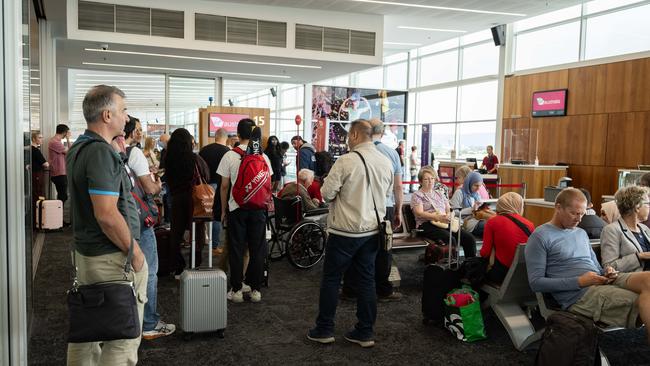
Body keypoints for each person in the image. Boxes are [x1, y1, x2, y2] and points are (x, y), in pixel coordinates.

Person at [66, 85, 148, 365]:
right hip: (111, 259)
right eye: (123, 111)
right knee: (122, 342)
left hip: (89, 255)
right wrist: (134, 253)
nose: (127, 118)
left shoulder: (80, 147)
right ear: (106, 114)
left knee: (86, 336)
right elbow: (106, 215)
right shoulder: (100, 153)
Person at [307, 119, 392, 348]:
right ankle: (365, 332)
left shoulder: (346, 161)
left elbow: (326, 193)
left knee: (332, 279)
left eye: (347, 135)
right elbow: (386, 193)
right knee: (367, 280)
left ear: (354, 135)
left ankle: (324, 329)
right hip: (373, 231)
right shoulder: (385, 162)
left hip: (344, 231)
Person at [526, 188, 650, 342]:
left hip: (599, 281)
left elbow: (596, 268)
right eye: (574, 213)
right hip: (579, 295)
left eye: (582, 214)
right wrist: (580, 281)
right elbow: (536, 283)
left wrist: (606, 271)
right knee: (643, 302)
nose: (579, 219)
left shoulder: (580, 233)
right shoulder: (540, 236)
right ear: (558, 208)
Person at [342, 118, 403, 302]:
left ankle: (351, 288)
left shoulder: (356, 152)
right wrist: (398, 211)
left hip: (361, 205)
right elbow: (398, 187)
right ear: (382, 133)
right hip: (386, 207)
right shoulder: (391, 153)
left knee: (357, 245)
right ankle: (383, 290)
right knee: (384, 249)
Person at [123, 118, 174, 340]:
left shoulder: (109, 152)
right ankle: (149, 323)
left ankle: (130, 320)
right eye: (140, 129)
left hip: (122, 220)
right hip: (139, 220)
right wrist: (158, 184)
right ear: (132, 132)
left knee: (126, 273)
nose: (142, 133)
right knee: (149, 271)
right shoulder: (134, 154)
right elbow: (149, 188)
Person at [217, 119, 273, 303]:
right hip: (258, 210)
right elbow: (268, 184)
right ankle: (256, 290)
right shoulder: (263, 158)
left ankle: (237, 290)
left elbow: (224, 186)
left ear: (238, 135)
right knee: (257, 249)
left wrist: (224, 210)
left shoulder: (230, 156)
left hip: (237, 208)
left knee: (236, 249)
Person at [164, 128, 210, 274]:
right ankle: (194, 265)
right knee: (196, 234)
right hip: (193, 199)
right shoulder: (194, 158)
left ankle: (177, 267)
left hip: (176, 199)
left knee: (176, 234)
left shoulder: (168, 158)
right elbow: (206, 176)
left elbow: (167, 179)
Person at [411, 166, 477, 258]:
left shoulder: (439, 193)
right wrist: (437, 217)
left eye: (432, 178)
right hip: (427, 224)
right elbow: (419, 213)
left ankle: (470, 265)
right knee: (450, 239)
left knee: (469, 239)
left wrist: (449, 215)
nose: (430, 181)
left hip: (444, 221)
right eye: (426, 179)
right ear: (420, 181)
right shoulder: (417, 195)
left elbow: (449, 209)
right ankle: (451, 266)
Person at [480, 192, 534, 284]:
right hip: (524, 274)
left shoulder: (492, 222)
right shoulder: (530, 224)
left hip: (501, 274)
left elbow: (484, 253)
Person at [601, 186, 650, 273]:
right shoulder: (611, 230)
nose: (649, 207)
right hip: (633, 278)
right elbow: (609, 267)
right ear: (637, 207)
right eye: (648, 204)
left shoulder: (645, 229)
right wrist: (640, 256)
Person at [199, 128, 230, 253]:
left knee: (201, 214)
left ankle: (201, 239)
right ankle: (215, 245)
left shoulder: (204, 150)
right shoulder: (227, 152)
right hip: (219, 186)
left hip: (204, 186)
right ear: (226, 138)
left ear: (215, 136)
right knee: (217, 214)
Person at [450, 172, 487, 237]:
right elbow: (453, 212)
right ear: (469, 183)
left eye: (480, 185)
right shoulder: (459, 193)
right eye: (476, 185)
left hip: (477, 219)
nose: (478, 188)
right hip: (465, 222)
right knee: (490, 226)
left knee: (494, 225)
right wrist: (471, 209)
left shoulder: (476, 194)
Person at [48, 123, 71, 210]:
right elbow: (71, 151)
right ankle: (59, 219)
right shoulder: (54, 142)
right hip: (58, 173)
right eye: (67, 133)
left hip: (60, 172)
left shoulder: (57, 142)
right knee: (63, 196)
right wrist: (68, 139)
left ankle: (59, 218)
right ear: (64, 132)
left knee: (63, 196)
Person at [31, 131, 49, 201]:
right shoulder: (35, 150)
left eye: (42, 137)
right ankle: (39, 208)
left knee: (37, 191)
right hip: (37, 174)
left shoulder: (31, 149)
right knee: (39, 191)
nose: (42, 139)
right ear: (33, 139)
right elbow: (46, 164)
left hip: (35, 174)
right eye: (39, 137)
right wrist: (48, 163)